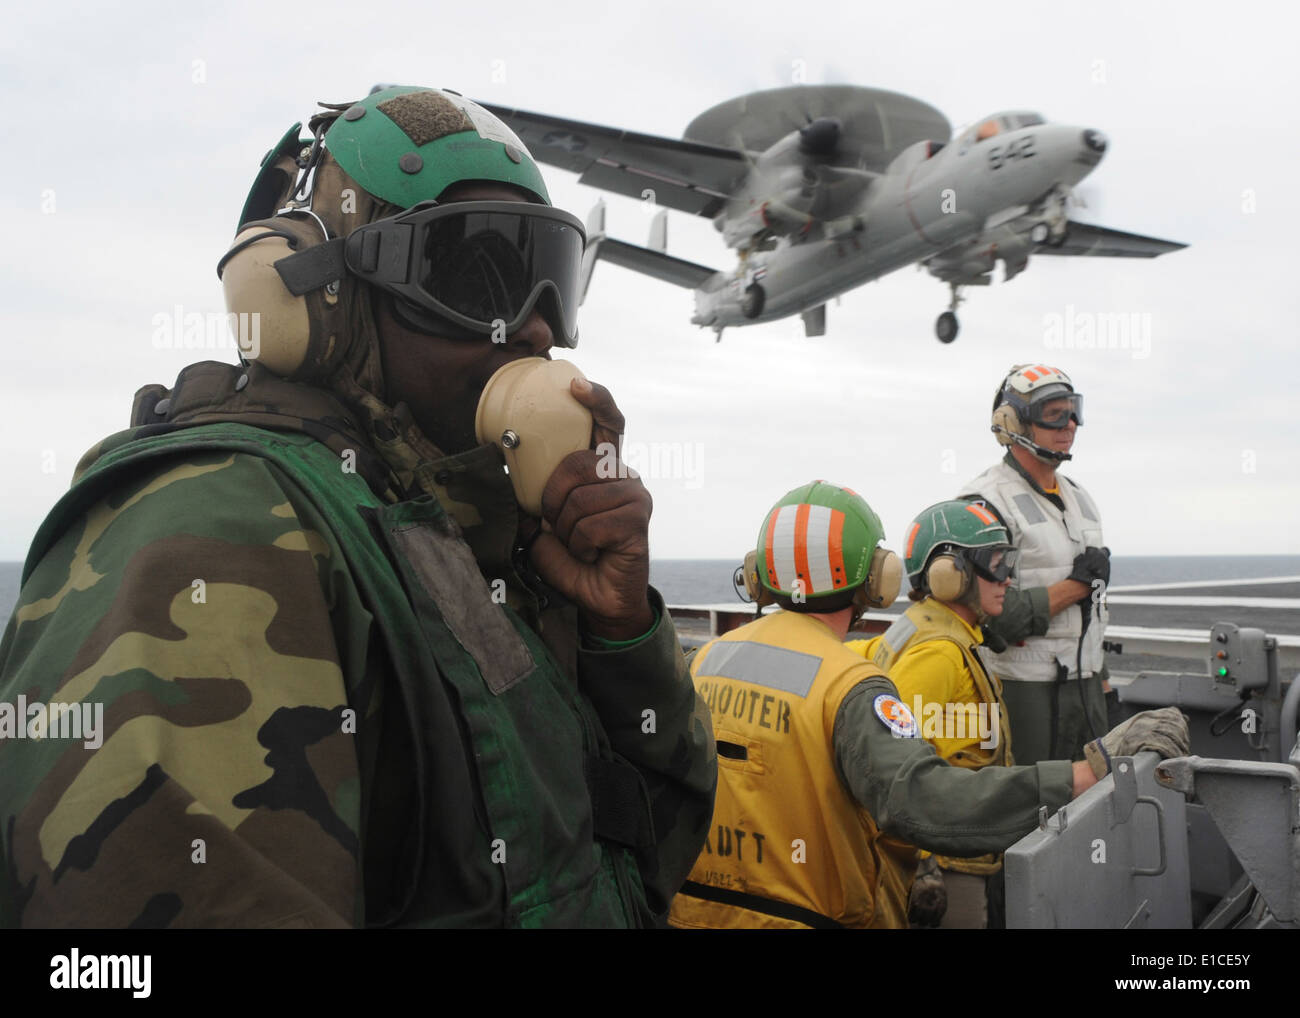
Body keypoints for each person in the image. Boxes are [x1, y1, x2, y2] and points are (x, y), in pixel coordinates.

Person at [0, 86, 716, 928]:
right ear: (314, 299)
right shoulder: (216, 532)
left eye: (548, 282)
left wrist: (617, 635)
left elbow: (642, 864)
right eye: (476, 275)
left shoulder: (469, 547)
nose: (533, 331)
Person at [668, 481, 1189, 930]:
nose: (1007, 578)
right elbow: (923, 801)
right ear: (878, 578)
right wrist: (1086, 773)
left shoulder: (703, 660)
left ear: (758, 573)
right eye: (996, 565)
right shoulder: (849, 683)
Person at [848, 499, 1019, 928]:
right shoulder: (939, 653)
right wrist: (925, 866)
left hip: (950, 845)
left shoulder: (921, 625)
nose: (1008, 578)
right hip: (946, 860)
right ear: (950, 574)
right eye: (994, 565)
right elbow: (895, 764)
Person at [958, 364, 1112, 765]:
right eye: (1053, 413)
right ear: (1012, 423)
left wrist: (1103, 673)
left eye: (1074, 411)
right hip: (1025, 692)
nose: (1070, 424)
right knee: (1033, 810)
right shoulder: (985, 504)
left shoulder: (1081, 499)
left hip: (1087, 686)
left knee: (1096, 803)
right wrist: (1077, 587)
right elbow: (992, 618)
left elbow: (1092, 609)